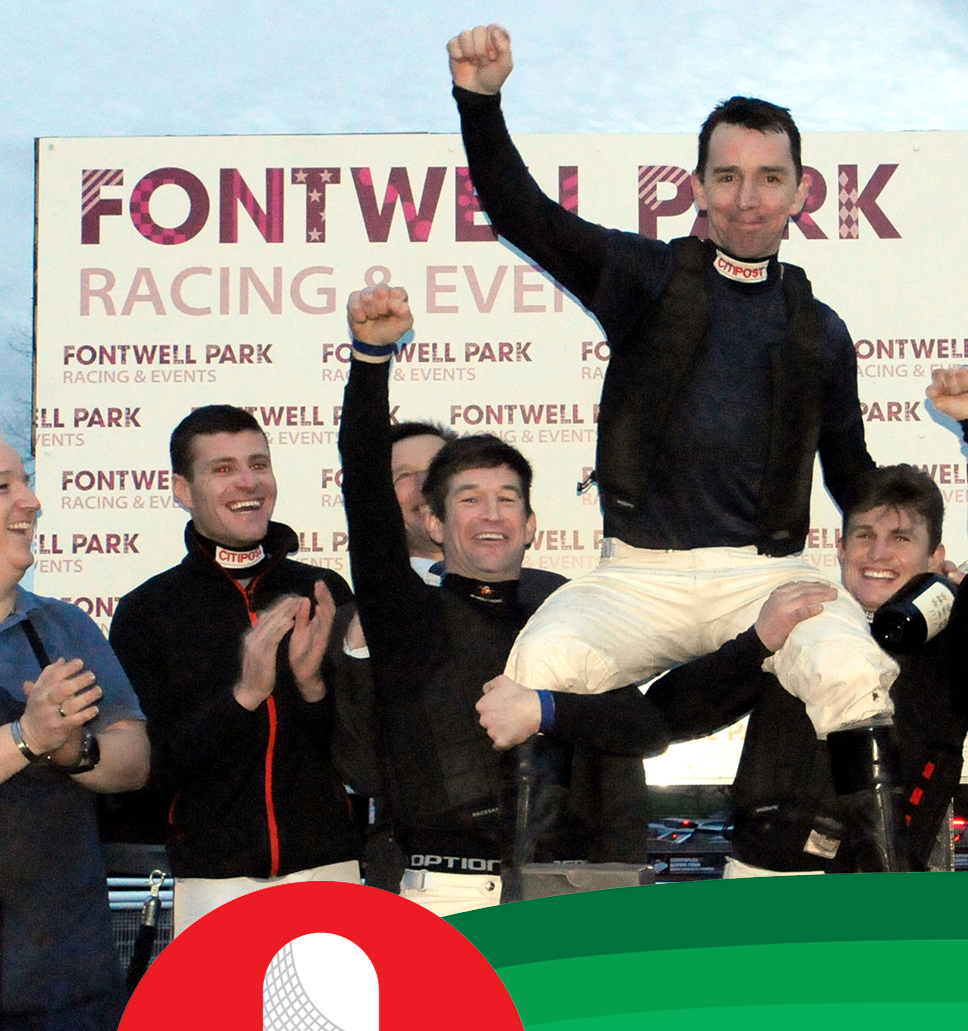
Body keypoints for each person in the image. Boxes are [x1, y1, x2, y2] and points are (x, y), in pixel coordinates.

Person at [447, 24, 912, 868]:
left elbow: (853, 475)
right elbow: (522, 216)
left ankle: (882, 898)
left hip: (763, 574)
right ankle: (530, 901)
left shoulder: (822, 331)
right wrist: (480, 102)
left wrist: (911, 541)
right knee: (542, 661)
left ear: (801, 191)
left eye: (768, 178)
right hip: (639, 578)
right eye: (727, 177)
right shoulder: (646, 277)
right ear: (698, 188)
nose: (747, 198)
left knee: (851, 668)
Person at [338, 286, 669, 917]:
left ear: (531, 523)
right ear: (434, 523)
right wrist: (371, 361)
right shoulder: (404, 615)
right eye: (469, 499)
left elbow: (645, 729)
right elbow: (365, 490)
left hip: (565, 894)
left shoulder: (573, 610)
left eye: (506, 499)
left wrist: (547, 709)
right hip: (444, 897)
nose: (490, 515)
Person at [647, 367, 968, 873]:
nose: (878, 553)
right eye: (864, 536)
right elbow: (666, 719)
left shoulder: (958, 654)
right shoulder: (799, 622)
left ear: (936, 558)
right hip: (752, 883)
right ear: (841, 548)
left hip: (874, 898)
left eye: (901, 539)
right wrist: (757, 643)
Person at [109, 407, 359, 933]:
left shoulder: (324, 590)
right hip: (212, 880)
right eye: (223, 468)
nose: (248, 481)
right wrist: (243, 697)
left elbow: (358, 756)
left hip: (328, 868)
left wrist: (312, 686)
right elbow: (148, 774)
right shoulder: (147, 611)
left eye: (258, 463)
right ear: (182, 490)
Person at [0, 442, 149, 1031]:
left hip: (66, 990)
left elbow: (132, 760)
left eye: (25, 484)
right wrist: (29, 735)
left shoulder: (63, 629)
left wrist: (76, 751)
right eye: (3, 487)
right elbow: (31, 735)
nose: (30, 503)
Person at [327, 420, 452, 888]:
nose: (422, 487)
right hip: (404, 880)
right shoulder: (345, 624)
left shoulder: (541, 598)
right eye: (403, 476)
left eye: (436, 470)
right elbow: (359, 770)